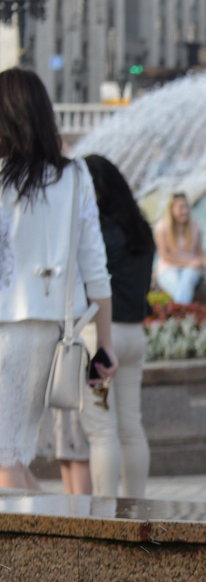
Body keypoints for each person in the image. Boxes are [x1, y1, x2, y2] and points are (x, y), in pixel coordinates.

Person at [0, 67, 117, 491]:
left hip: (8, 328)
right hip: (44, 332)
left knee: (6, 463)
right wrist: (104, 345)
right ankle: (48, 548)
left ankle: (30, 555)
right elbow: (96, 269)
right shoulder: (75, 177)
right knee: (13, 457)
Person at [79, 154, 153, 498]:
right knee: (131, 427)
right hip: (134, 334)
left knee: (102, 431)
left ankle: (105, 516)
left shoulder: (98, 234)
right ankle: (135, 507)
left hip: (100, 336)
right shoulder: (142, 230)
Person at [153, 193, 206, 304]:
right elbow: (165, 256)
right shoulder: (162, 227)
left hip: (191, 267)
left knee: (188, 279)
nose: (185, 211)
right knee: (178, 286)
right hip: (168, 267)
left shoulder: (195, 225)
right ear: (172, 209)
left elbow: (200, 252)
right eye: (181, 207)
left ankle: (179, 315)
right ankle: (185, 312)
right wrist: (189, 262)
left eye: (187, 206)